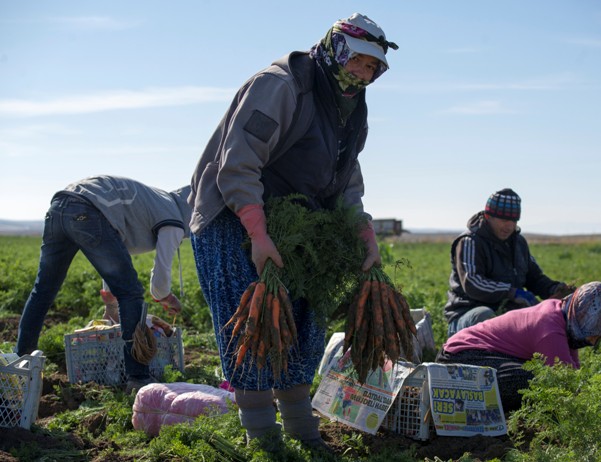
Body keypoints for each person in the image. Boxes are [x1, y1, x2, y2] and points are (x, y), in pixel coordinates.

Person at [188, 13, 396, 450]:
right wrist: (259, 234)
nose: (363, 73)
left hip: (299, 223)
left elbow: (345, 176)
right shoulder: (281, 85)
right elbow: (238, 165)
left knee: (302, 324)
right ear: (337, 49)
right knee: (254, 328)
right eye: (358, 61)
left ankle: (303, 431)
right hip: (232, 214)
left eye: (372, 68)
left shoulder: (351, 104)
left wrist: (364, 231)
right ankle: (264, 438)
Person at [15, 175, 192, 392]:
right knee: (132, 293)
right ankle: (138, 377)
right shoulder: (173, 219)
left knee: (42, 291)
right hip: (87, 209)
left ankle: (20, 366)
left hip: (60, 206)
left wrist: (110, 296)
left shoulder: (156, 202)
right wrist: (166, 296)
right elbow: (160, 279)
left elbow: (112, 246)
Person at [437, 281, 601, 412]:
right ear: (579, 319)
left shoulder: (562, 313)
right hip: (459, 358)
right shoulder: (550, 330)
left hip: (479, 354)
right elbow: (564, 384)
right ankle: (468, 406)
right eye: (592, 335)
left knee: (536, 380)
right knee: (531, 381)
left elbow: (573, 372)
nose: (592, 342)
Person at [444, 188, 575, 337]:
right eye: (504, 220)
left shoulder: (519, 243)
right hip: (466, 316)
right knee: (485, 316)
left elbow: (535, 278)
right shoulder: (470, 242)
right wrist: (511, 292)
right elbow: (473, 283)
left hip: (507, 314)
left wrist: (554, 289)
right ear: (488, 216)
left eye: (513, 220)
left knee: (547, 318)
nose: (509, 226)